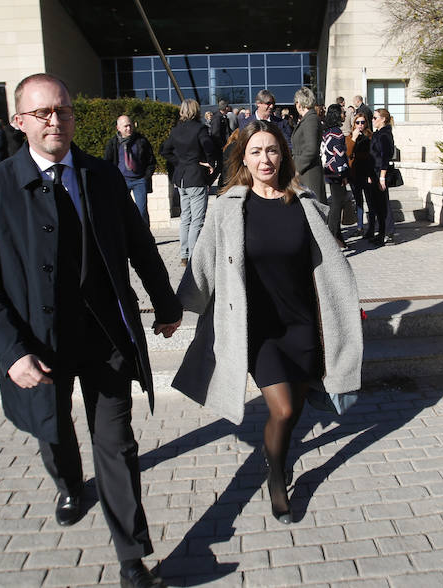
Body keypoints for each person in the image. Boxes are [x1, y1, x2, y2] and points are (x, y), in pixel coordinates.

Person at [0, 73, 182, 588]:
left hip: (105, 337)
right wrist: (11, 351)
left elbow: (139, 244)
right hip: (39, 346)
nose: (55, 120)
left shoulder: (101, 176)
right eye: (42, 113)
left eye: (62, 110)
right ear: (20, 122)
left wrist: (165, 304)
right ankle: (67, 483)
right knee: (54, 433)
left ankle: (132, 557)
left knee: (117, 444)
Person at [173, 120, 362, 525]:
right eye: (256, 151)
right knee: (283, 407)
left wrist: (344, 307)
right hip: (259, 329)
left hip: (303, 325)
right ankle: (277, 477)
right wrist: (178, 310)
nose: (265, 159)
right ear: (243, 158)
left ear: (284, 155)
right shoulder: (228, 207)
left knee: (292, 413)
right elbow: (203, 261)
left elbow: (330, 266)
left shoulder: (305, 202)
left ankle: (274, 451)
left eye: (272, 150)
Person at [160, 98, 219, 266]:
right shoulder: (200, 129)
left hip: (181, 179)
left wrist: (178, 162)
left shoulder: (175, 131)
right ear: (196, 111)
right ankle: (194, 256)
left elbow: (164, 150)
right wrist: (209, 163)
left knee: (185, 217)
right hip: (195, 177)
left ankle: (184, 255)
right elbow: (209, 147)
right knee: (197, 220)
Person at [103, 115, 157, 225]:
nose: (129, 128)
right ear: (118, 128)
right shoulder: (113, 143)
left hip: (139, 181)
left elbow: (151, 161)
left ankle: (145, 238)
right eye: (125, 126)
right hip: (121, 181)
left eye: (130, 125)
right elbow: (107, 163)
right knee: (121, 211)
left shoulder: (141, 141)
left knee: (141, 211)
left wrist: (146, 177)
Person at [290, 87, 325, 204]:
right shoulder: (308, 119)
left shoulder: (311, 120)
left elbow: (311, 149)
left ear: (299, 103)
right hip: (306, 171)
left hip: (308, 173)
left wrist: (297, 169)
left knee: (313, 210)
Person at [321, 104, 350, 247]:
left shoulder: (326, 131)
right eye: (343, 112)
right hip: (337, 172)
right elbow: (340, 156)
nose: (344, 114)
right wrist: (344, 174)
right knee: (337, 205)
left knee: (336, 204)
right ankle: (333, 237)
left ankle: (338, 237)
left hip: (328, 171)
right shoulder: (337, 133)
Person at [368, 108, 396, 245]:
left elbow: (386, 156)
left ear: (383, 119)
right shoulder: (377, 134)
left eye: (375, 118)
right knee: (378, 204)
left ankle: (388, 233)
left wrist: (382, 177)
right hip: (374, 172)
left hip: (381, 172)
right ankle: (381, 233)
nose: (373, 120)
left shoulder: (385, 134)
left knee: (384, 204)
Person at [346, 111, 373, 237]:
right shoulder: (350, 137)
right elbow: (348, 153)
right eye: (358, 122)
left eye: (363, 122)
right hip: (354, 173)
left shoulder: (370, 136)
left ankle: (371, 227)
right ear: (354, 124)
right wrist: (354, 138)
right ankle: (360, 227)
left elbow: (371, 156)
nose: (360, 125)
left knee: (370, 200)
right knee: (358, 201)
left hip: (366, 173)